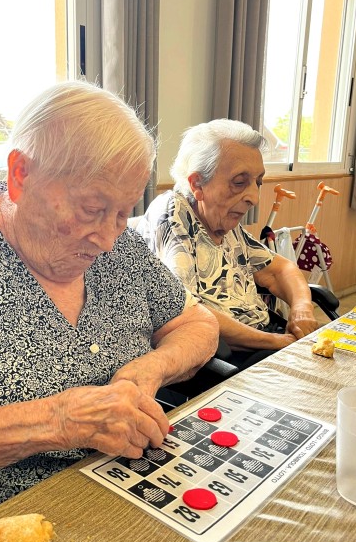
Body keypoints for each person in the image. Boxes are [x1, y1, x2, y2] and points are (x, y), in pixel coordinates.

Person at [0, 81, 219, 542]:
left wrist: (153, 367)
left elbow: (198, 324)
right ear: (21, 175)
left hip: (122, 503)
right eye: (92, 209)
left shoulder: (120, 247)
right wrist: (58, 420)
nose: (108, 239)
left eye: (122, 213)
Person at [136, 118, 319, 371]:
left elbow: (280, 270)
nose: (254, 198)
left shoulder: (223, 220)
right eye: (239, 182)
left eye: (257, 182)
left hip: (264, 339)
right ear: (197, 184)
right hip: (227, 357)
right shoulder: (174, 214)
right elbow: (188, 310)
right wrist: (276, 342)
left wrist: (302, 309)